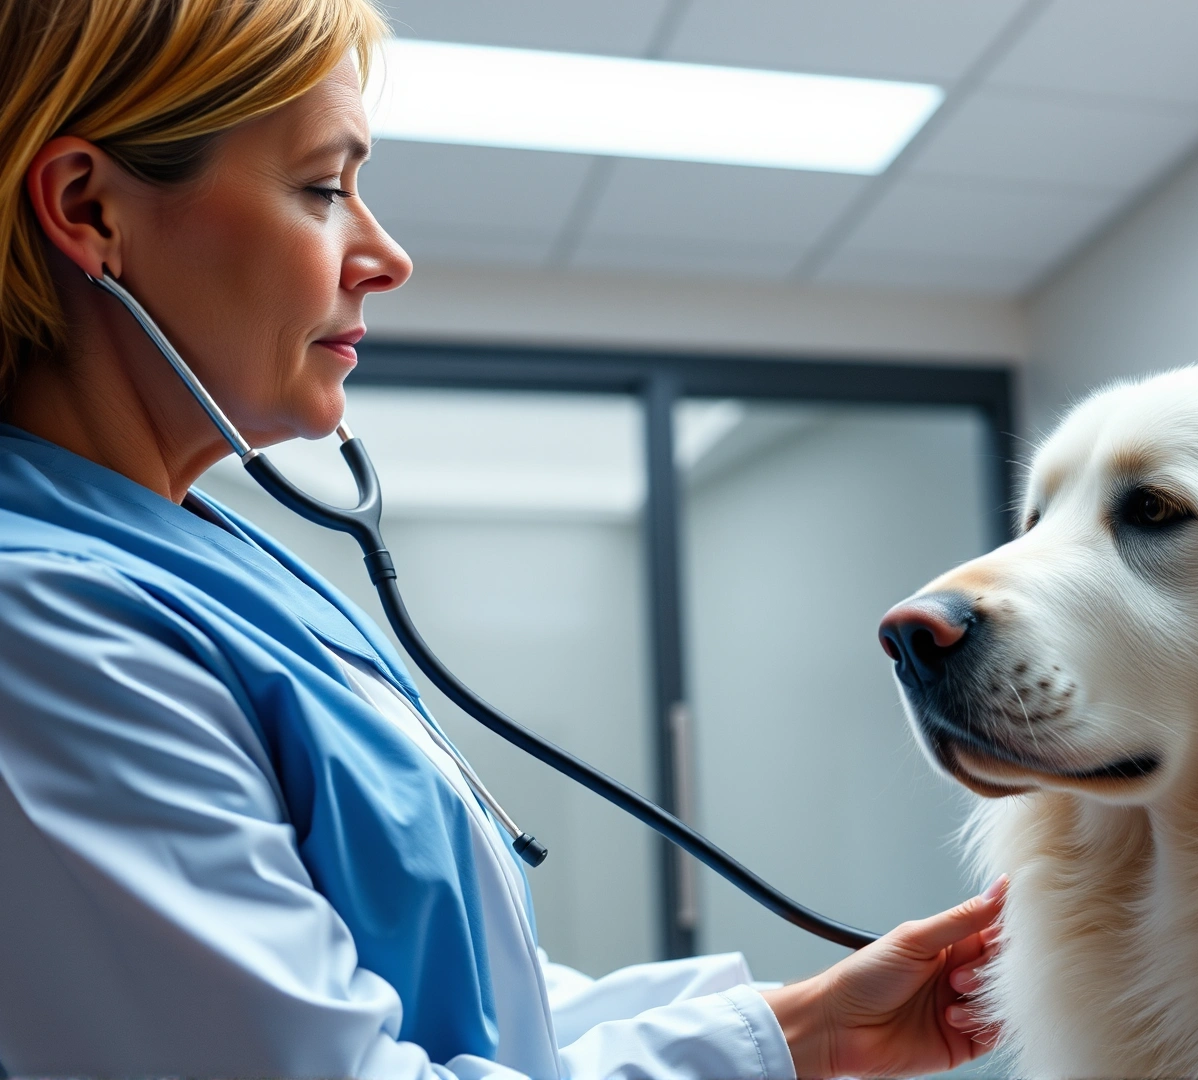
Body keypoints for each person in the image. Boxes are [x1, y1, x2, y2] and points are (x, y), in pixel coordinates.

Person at [0, 1, 1003, 1076]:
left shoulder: (201, 571)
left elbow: (466, 1005)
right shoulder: (49, 628)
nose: (385, 256)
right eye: (324, 187)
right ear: (87, 208)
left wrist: (808, 1027)